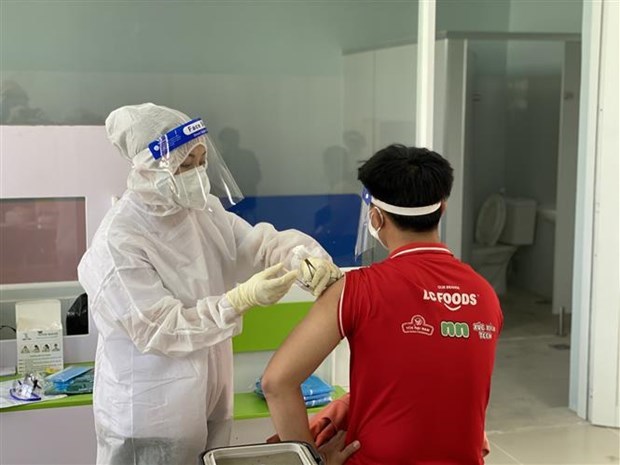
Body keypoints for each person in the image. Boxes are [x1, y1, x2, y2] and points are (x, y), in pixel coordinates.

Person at [77, 103, 342, 465]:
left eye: (201, 161)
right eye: (185, 165)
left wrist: (300, 255)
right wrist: (240, 299)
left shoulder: (204, 212)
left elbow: (256, 243)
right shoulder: (118, 241)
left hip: (209, 398)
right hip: (151, 417)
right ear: (147, 167)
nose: (197, 173)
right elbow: (161, 329)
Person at [262, 145, 503, 465]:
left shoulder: (357, 289)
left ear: (375, 216)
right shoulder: (484, 294)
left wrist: (313, 462)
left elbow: (277, 383)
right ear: (442, 208)